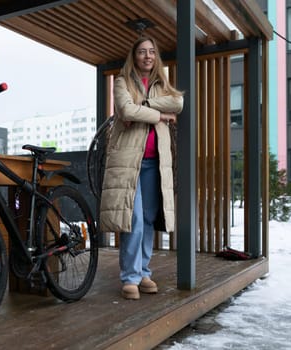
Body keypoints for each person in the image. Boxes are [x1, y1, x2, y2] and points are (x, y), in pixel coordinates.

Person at [99, 36, 184, 300]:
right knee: (133, 219)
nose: (148, 56)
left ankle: (144, 272)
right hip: (128, 162)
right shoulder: (123, 81)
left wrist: (143, 106)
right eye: (142, 52)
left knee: (147, 218)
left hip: (155, 163)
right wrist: (159, 115)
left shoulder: (161, 84)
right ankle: (130, 277)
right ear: (134, 56)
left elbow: (178, 103)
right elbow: (125, 109)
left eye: (151, 52)